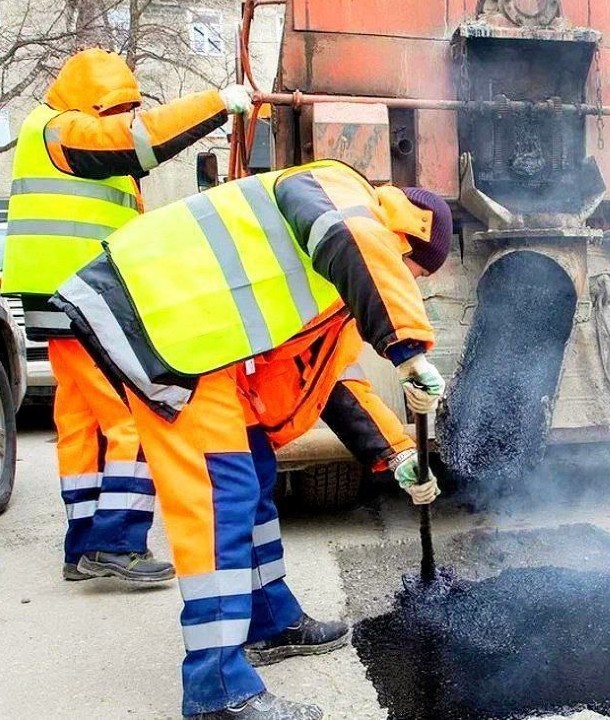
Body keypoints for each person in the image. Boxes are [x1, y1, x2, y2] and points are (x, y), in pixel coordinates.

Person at [54, 158, 452, 718]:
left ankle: (269, 620)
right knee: (222, 495)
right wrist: (408, 348)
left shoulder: (331, 270)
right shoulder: (341, 200)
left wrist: (399, 452)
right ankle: (217, 690)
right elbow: (356, 241)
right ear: (403, 239)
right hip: (159, 321)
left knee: (255, 467)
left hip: (192, 341)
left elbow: (330, 377)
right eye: (413, 274)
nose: (407, 284)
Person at [2, 48, 253, 583]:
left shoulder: (60, 139)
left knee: (81, 424)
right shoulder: (63, 130)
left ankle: (82, 546)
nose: (123, 120)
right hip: (80, 302)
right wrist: (216, 102)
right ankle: (116, 543)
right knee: (134, 416)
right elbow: (138, 140)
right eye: (115, 109)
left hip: (58, 303)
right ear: (91, 103)